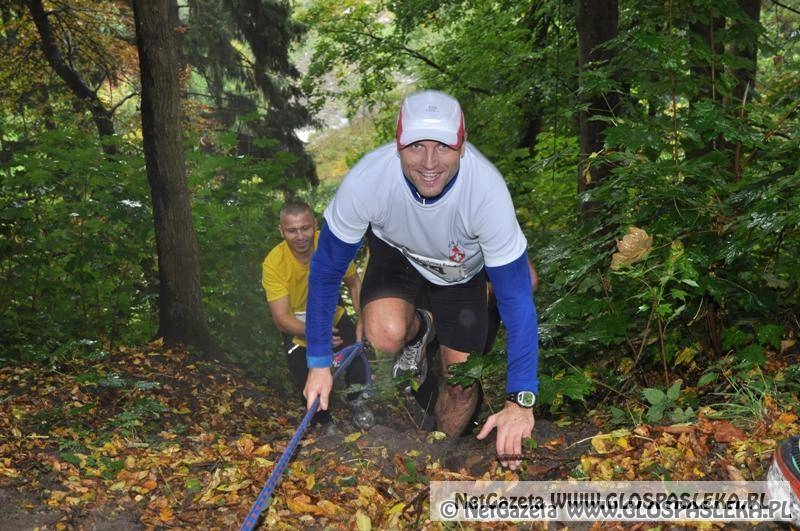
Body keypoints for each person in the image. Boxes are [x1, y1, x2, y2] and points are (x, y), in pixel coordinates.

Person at [303, 89, 539, 469]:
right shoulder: (367, 181)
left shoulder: (486, 191)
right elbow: (327, 271)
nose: (429, 162)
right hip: (398, 256)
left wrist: (520, 400)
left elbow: (518, 300)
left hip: (460, 274)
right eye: (415, 146)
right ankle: (420, 331)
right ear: (397, 146)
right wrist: (318, 362)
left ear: (462, 146)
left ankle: (438, 458)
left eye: (443, 147)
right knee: (383, 332)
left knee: (460, 384)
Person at [261, 201, 371, 434]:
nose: (300, 236)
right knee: (306, 375)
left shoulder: (328, 244)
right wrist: (316, 334)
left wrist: (363, 318)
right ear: (281, 231)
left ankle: (357, 400)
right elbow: (281, 319)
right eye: (292, 230)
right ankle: (324, 423)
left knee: (356, 353)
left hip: (331, 311)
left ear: (315, 225)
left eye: (305, 228)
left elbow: (353, 282)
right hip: (297, 322)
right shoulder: (274, 263)